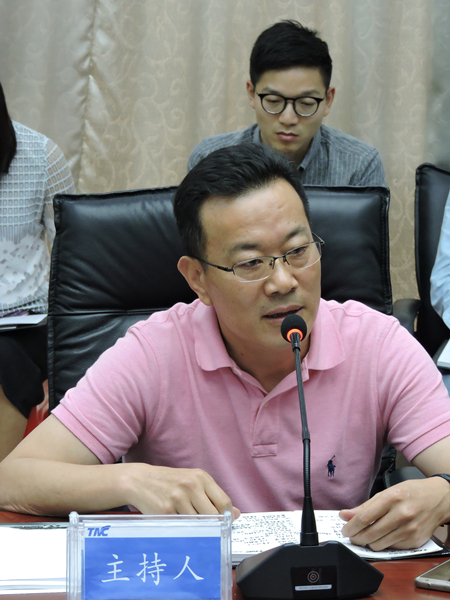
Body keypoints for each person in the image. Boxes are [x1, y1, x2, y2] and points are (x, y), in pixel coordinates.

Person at [0, 143, 449, 553]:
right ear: (198, 279)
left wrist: (443, 493)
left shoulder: (378, 344)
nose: (283, 282)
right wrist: (129, 480)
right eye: (251, 263)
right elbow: (13, 477)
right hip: (190, 581)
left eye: (298, 251)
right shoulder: (153, 352)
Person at [188, 20, 386, 187]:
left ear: (328, 100)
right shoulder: (208, 158)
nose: (288, 118)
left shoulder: (360, 164)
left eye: (306, 103)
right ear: (251, 94)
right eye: (273, 101)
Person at [0, 82, 76, 461]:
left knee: (4, 360)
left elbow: (75, 251)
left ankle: (8, 482)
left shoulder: (41, 156)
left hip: (25, 323)